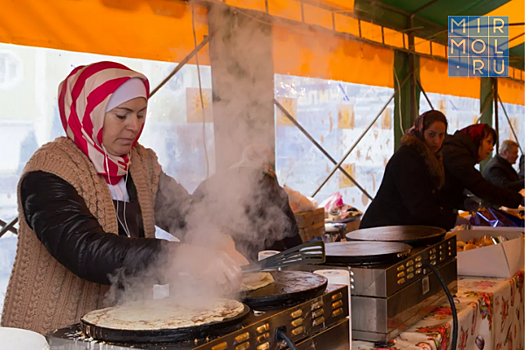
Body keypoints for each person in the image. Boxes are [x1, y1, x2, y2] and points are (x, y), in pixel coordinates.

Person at [1, 62, 246, 335]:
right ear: (90, 114)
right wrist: (181, 256)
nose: (134, 125)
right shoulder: (48, 171)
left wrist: (218, 242)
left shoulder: (141, 163)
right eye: (122, 115)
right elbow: (85, 250)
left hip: (126, 323)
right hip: (54, 332)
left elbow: (186, 214)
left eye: (141, 114)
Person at [191, 144, 302, 261]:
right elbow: (294, 244)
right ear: (266, 165)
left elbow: (189, 223)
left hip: (215, 264)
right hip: (264, 265)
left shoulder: (212, 183)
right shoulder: (272, 187)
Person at [360, 110, 457, 230]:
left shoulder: (433, 158)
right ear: (421, 132)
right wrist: (451, 221)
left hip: (398, 228)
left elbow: (434, 197)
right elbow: (418, 206)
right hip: (380, 229)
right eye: (431, 134)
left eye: (441, 135)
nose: (437, 141)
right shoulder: (407, 157)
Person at [440, 124, 524, 211]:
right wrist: (519, 199)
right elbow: (482, 187)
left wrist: (462, 201)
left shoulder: (461, 154)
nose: (491, 148)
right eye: (488, 142)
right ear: (477, 139)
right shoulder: (457, 155)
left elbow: (449, 191)